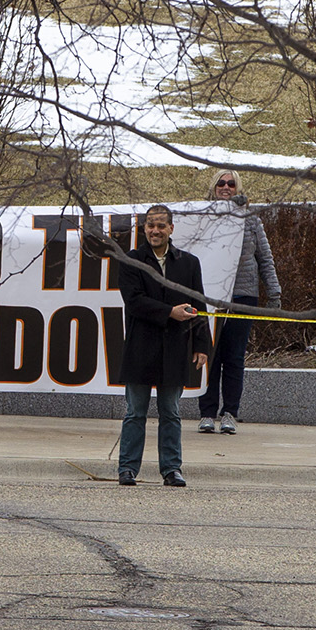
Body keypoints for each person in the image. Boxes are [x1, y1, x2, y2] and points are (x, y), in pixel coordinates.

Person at [117, 205, 211, 487]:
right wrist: (170, 311)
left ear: (171, 228)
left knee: (171, 411)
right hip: (140, 347)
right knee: (135, 412)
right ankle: (127, 469)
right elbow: (134, 301)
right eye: (150, 225)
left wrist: (201, 344)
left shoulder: (189, 263)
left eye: (160, 225)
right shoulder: (132, 260)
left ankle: (171, 469)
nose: (155, 230)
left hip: (175, 347)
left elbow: (199, 305)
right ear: (143, 229)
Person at [198, 170, 280, 435]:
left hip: (243, 296)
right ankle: (207, 413)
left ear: (238, 188)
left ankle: (230, 413)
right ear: (214, 187)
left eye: (231, 183)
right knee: (209, 356)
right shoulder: (202, 216)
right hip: (210, 297)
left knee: (234, 358)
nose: (226, 187)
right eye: (221, 183)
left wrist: (274, 293)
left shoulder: (250, 220)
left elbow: (264, 258)